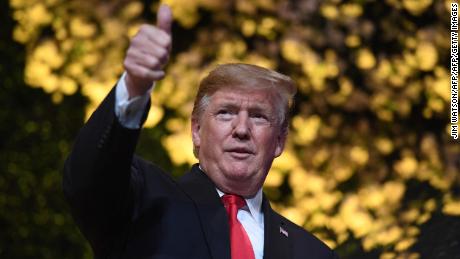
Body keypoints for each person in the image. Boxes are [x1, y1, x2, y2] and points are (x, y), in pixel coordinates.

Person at [63, 4, 338, 259]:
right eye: (225, 112)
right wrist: (134, 86)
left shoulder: (313, 252)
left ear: (279, 141)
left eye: (258, 116)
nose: (241, 129)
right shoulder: (143, 201)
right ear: (196, 130)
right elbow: (88, 178)